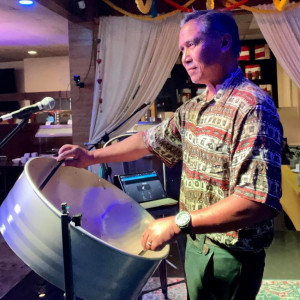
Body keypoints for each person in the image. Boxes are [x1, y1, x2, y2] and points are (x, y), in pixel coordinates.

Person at [57, 10, 283, 300]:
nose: (185, 57)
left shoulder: (253, 106)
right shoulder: (196, 106)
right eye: (181, 49)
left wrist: (178, 222)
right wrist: (92, 157)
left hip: (231, 255)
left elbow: (256, 202)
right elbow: (148, 141)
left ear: (225, 42)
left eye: (192, 44)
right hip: (194, 244)